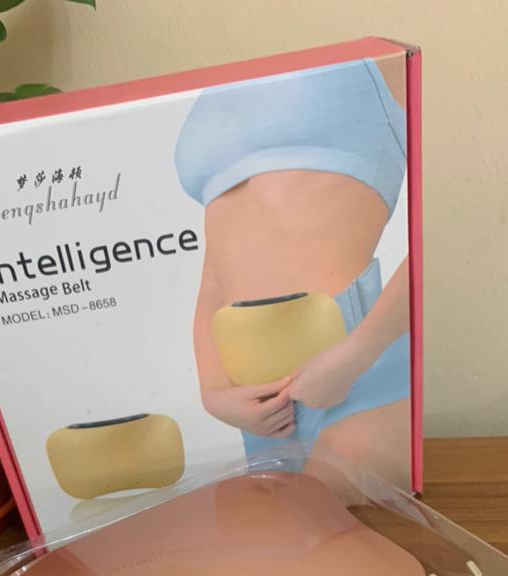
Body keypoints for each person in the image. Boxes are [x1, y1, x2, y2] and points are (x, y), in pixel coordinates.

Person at [175, 56, 411, 483]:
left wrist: (356, 355)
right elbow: (215, 272)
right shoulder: (216, 87)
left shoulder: (379, 62)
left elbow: (441, 241)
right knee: (263, 526)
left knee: (319, 520)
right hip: (257, 401)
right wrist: (213, 392)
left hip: (355, 359)